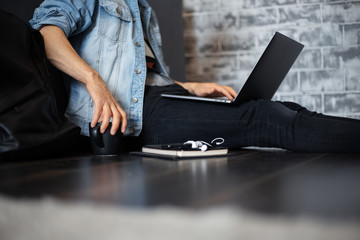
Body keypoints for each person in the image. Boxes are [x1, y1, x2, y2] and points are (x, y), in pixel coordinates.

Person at [29, 0, 360, 152]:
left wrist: (189, 87)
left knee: (285, 107)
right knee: (266, 118)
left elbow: (140, 74)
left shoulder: (141, 7)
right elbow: (46, 34)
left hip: (155, 97)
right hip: (133, 113)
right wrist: (94, 82)